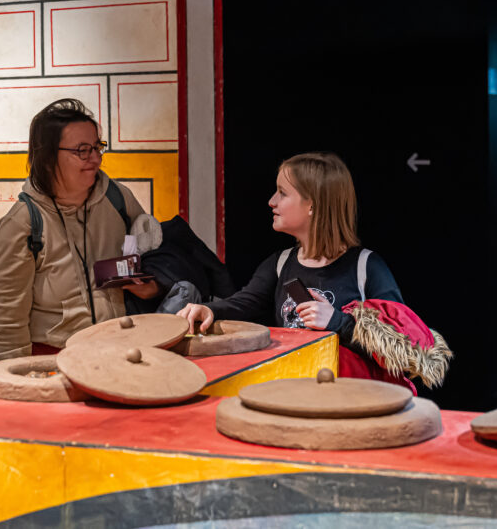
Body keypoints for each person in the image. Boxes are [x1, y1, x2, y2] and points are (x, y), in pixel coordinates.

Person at [177, 151, 450, 391]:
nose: (271, 201)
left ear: (312, 205)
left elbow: (407, 352)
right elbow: (244, 303)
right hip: (296, 396)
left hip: (351, 404)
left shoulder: (366, 267)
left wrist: (337, 323)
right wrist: (209, 310)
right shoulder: (280, 262)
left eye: (283, 193)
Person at [0, 98, 159, 361]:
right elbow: (5, 321)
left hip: (121, 352)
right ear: (48, 158)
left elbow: (156, 257)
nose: (96, 159)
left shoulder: (118, 199)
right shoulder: (22, 224)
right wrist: (17, 376)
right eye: (82, 151)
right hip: (55, 361)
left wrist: (154, 285)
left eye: (97, 147)